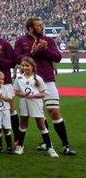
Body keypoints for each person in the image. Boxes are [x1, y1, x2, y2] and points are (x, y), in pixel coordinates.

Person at [14, 17, 76, 155]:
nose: (41, 27)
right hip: (29, 81)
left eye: (42, 24)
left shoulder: (48, 40)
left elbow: (58, 57)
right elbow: (17, 59)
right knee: (37, 115)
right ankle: (46, 143)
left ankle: (66, 145)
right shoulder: (21, 41)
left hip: (47, 80)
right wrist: (32, 52)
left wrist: (45, 49)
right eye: (38, 25)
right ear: (30, 28)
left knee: (54, 111)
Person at [12, 57, 58, 157]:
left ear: (32, 66)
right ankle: (20, 146)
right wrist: (23, 95)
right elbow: (15, 91)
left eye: (27, 65)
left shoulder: (38, 78)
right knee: (23, 124)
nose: (25, 67)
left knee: (41, 124)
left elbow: (43, 94)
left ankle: (50, 148)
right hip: (24, 103)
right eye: (23, 65)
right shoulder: (19, 78)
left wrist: (33, 95)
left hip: (36, 103)